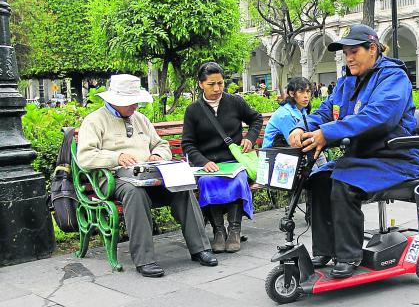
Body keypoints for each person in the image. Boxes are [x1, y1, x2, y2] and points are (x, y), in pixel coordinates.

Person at [288, 24, 419, 279]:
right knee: (319, 180)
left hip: (395, 158)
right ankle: (326, 249)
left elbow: (380, 116)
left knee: (342, 184)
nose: (348, 58)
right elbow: (327, 111)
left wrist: (327, 133)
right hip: (361, 157)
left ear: (372, 49)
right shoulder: (347, 81)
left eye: (354, 52)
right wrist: (301, 127)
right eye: (346, 53)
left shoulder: (393, 77)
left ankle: (349, 255)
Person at [77, 74, 218, 278]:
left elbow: (161, 144)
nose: (135, 106)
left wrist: (157, 155)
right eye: (131, 102)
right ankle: (145, 260)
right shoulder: (95, 121)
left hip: (148, 175)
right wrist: (117, 157)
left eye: (136, 101)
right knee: (135, 193)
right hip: (114, 179)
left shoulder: (140, 119)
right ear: (114, 100)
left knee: (182, 188)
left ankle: (200, 249)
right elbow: (85, 157)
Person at [182, 62, 263, 253]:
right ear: (201, 84)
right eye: (211, 84)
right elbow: (188, 144)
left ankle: (234, 230)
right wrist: (204, 162)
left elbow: (256, 118)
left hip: (234, 162)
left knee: (238, 179)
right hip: (208, 164)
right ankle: (218, 231)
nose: (217, 88)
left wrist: (250, 139)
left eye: (220, 83)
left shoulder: (235, 102)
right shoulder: (193, 110)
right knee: (207, 183)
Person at [263, 76, 314, 148]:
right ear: (291, 93)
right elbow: (295, 143)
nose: (306, 96)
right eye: (301, 92)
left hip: (288, 152)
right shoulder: (286, 114)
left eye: (308, 91)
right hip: (273, 154)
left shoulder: (302, 110)